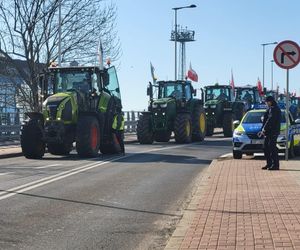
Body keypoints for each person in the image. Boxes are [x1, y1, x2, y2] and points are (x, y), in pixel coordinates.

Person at [259, 96, 281, 170]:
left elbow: (270, 120)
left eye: (266, 102)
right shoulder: (271, 108)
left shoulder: (274, 109)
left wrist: (264, 129)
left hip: (273, 131)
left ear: (270, 101)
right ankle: (269, 163)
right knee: (265, 147)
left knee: (272, 147)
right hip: (269, 132)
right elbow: (266, 119)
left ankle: (275, 165)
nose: (266, 103)